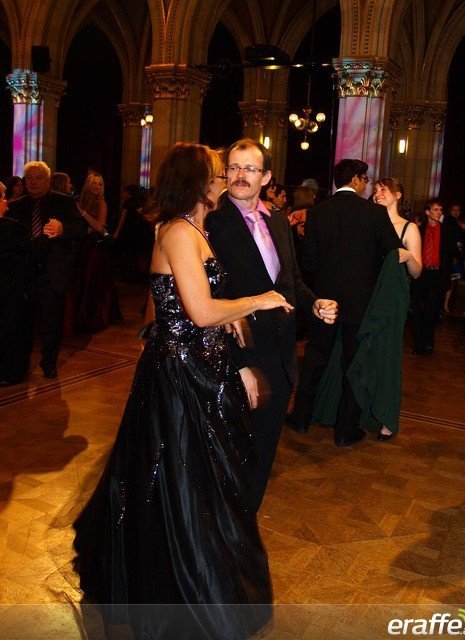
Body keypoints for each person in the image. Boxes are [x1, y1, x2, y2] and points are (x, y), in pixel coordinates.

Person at [73, 143, 294, 640]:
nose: (224, 181)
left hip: (200, 367)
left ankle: (199, 573)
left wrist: (226, 322)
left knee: (203, 481)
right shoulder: (175, 231)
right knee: (180, 481)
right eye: (217, 174)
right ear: (198, 184)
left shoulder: (195, 230)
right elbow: (199, 311)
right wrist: (256, 302)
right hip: (178, 376)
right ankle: (179, 586)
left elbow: (196, 305)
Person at [206, 138, 338, 510]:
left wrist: (314, 303)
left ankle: (245, 523)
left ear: (265, 177)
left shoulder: (277, 220)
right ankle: (220, 527)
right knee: (227, 452)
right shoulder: (212, 222)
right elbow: (209, 300)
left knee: (262, 452)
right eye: (233, 168)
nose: (240, 176)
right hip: (237, 357)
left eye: (249, 169)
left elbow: (289, 281)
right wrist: (238, 363)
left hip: (279, 358)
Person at [288, 159, 404, 444]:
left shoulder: (317, 213)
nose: (366, 185)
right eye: (365, 179)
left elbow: (309, 262)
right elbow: (393, 254)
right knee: (355, 364)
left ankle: (301, 417)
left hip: (323, 301)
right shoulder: (375, 213)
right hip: (360, 303)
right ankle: (345, 430)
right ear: (355, 179)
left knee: (315, 358)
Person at [8, 161, 86, 378]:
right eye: (29, 178)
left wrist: (62, 229)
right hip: (24, 273)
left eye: (39, 178)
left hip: (52, 272)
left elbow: (81, 229)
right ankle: (20, 365)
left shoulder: (64, 202)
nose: (33, 182)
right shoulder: (16, 206)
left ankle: (49, 363)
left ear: (48, 180)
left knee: (51, 321)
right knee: (23, 321)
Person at [371, 177, 422, 440]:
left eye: (383, 190)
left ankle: (387, 418)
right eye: (375, 190)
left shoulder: (409, 228)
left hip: (393, 300)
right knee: (366, 353)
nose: (377, 194)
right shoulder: (370, 224)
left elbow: (417, 271)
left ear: (398, 195)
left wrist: (408, 256)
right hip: (368, 296)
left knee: (388, 356)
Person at [74, 171, 123, 332]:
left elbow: (101, 227)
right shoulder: (80, 200)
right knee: (80, 280)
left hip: (96, 248)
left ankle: (90, 316)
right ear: (88, 185)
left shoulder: (101, 203)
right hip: (81, 245)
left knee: (91, 281)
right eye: (94, 183)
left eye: (100, 184)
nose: (97, 186)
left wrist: (83, 214)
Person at [410, 198, 456, 354]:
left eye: (440, 210)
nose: (439, 212)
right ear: (427, 212)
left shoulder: (447, 231)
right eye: (436, 210)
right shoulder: (418, 230)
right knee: (416, 309)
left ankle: (428, 343)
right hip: (420, 273)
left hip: (437, 275)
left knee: (431, 311)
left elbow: (453, 253)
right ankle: (418, 344)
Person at [0, 185, 31, 385]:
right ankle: (7, 373)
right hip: (9, 289)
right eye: (3, 197)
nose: (7, 201)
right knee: (9, 331)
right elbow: (32, 249)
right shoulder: (12, 228)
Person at [443, 203, 465, 313]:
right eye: (453, 210)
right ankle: (443, 303)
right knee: (445, 278)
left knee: (453, 279)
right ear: (450, 211)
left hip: (458, 254)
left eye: (458, 210)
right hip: (448, 254)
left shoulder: (463, 224)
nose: (456, 212)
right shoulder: (446, 222)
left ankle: (447, 303)